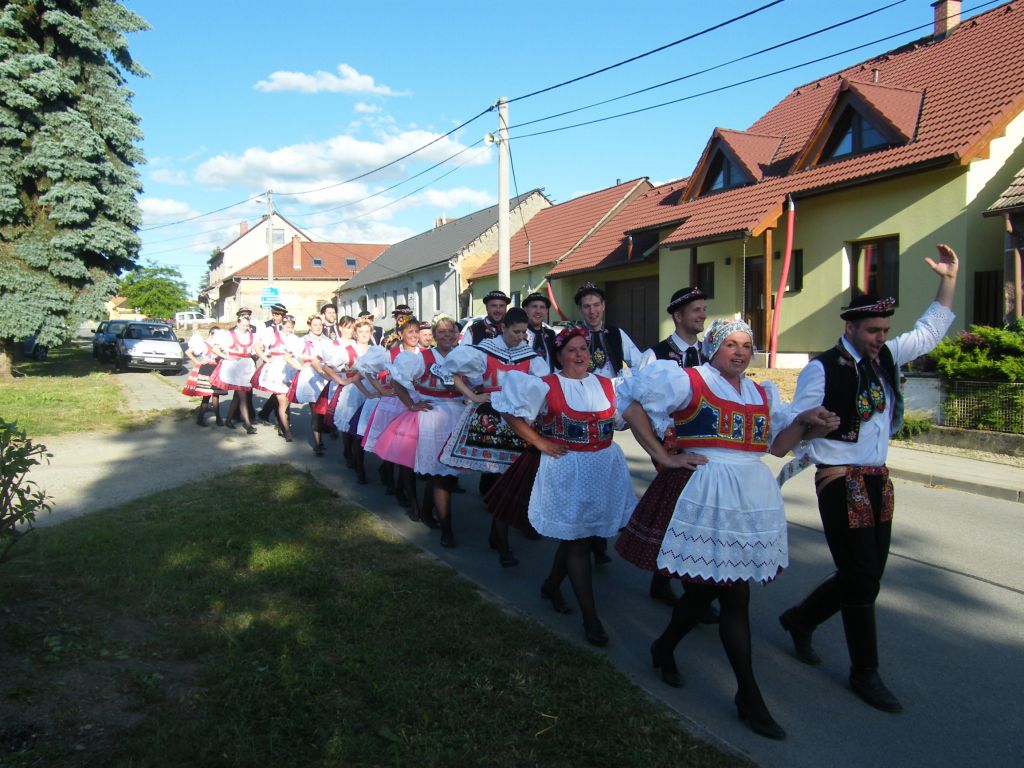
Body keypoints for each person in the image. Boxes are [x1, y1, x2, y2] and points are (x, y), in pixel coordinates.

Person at [617, 318, 838, 741]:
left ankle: (664, 647)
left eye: (746, 346)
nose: (740, 352)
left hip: (745, 502)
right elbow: (629, 403)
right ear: (713, 348)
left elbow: (778, 447)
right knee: (734, 595)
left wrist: (807, 421)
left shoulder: (761, 392)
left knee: (705, 592)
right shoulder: (689, 380)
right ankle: (748, 696)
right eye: (731, 344)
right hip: (704, 497)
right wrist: (663, 456)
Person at [777, 244, 958, 715]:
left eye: (885, 331)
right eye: (873, 331)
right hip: (839, 479)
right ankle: (865, 671)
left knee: (867, 573)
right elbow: (795, 425)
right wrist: (814, 422)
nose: (881, 338)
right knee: (860, 575)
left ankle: (801, 619)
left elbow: (929, 333)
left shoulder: (886, 358)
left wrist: (948, 281)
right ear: (850, 328)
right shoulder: (821, 368)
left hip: (877, 479)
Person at [496, 327, 638, 646]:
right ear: (559, 356)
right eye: (571, 350)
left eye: (583, 349)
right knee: (578, 543)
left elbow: (623, 421)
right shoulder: (546, 385)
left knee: (580, 536)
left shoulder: (607, 384)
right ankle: (591, 619)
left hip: (602, 468)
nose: (579, 355)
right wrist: (538, 441)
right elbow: (507, 410)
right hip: (566, 469)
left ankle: (550, 585)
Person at [441, 306, 549, 560]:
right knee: (500, 477)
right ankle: (500, 539)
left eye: (523, 332)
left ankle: (499, 535)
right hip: (490, 419)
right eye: (516, 331)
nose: (520, 336)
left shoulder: (529, 355)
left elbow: (544, 385)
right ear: (503, 328)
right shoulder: (485, 350)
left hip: (518, 421)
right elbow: (451, 369)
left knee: (509, 477)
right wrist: (473, 396)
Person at [641, 286, 718, 620]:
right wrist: (661, 450)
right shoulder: (656, 355)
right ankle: (692, 594)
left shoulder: (710, 355)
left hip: (703, 445)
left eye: (703, 309)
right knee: (684, 514)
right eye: (696, 310)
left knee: (690, 515)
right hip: (671, 446)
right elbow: (640, 405)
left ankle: (666, 581)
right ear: (678, 316)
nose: (702, 315)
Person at [574, 281, 646, 565]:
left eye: (596, 305)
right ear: (580, 310)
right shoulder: (574, 336)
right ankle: (587, 535)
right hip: (579, 408)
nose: (592, 311)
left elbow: (640, 363)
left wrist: (627, 388)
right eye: (586, 306)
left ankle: (598, 537)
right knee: (585, 470)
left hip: (606, 409)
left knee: (601, 469)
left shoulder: (615, 334)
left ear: (603, 306)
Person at [381, 316, 465, 541]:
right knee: (439, 473)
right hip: (432, 416)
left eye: (451, 331)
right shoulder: (423, 358)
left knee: (447, 475)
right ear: (434, 336)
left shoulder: (463, 356)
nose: (447, 335)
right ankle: (446, 529)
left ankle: (428, 511)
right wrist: (411, 404)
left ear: (457, 334)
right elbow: (397, 380)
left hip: (458, 415)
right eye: (442, 332)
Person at [360, 315, 421, 501]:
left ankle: (400, 486)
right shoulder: (391, 354)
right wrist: (381, 390)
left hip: (413, 404)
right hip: (393, 404)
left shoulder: (423, 354)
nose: (414, 335)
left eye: (416, 331)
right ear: (400, 334)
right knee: (390, 444)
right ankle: (388, 477)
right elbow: (367, 369)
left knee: (406, 447)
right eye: (410, 331)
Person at [334, 317, 381, 483]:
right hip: (354, 390)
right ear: (355, 333)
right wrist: (340, 379)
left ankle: (357, 458)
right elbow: (328, 365)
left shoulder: (376, 350)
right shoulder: (348, 349)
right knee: (351, 428)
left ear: (371, 332)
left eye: (367, 331)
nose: (364, 335)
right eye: (360, 332)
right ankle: (354, 460)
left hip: (372, 388)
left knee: (363, 428)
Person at [252, 314, 304, 441]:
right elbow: (256, 346)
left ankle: (283, 426)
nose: (289, 329)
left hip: (290, 369)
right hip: (276, 370)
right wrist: (266, 358)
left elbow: (300, 354)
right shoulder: (273, 335)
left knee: (286, 400)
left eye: (291, 327)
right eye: (287, 326)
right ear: (282, 325)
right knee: (282, 400)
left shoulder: (295, 339)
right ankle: (286, 430)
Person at [209, 309, 259, 434]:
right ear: (238, 323)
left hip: (246, 368)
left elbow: (257, 350)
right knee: (242, 396)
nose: (245, 328)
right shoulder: (229, 335)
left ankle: (228, 420)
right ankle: (248, 425)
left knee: (238, 396)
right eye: (243, 325)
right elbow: (215, 349)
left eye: (247, 325)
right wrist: (227, 357)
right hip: (234, 368)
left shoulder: (252, 336)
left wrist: (255, 357)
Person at [182, 323, 227, 426]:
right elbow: (188, 352)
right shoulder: (203, 343)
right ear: (211, 334)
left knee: (216, 395)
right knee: (207, 396)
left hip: (216, 370)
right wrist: (198, 362)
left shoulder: (219, 344)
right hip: (206, 370)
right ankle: (203, 418)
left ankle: (217, 418)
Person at [523, 292, 557, 373]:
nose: (538, 311)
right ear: (525, 309)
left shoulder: (551, 335)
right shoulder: (518, 334)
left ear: (546, 311)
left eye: (542, 307)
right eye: (534, 306)